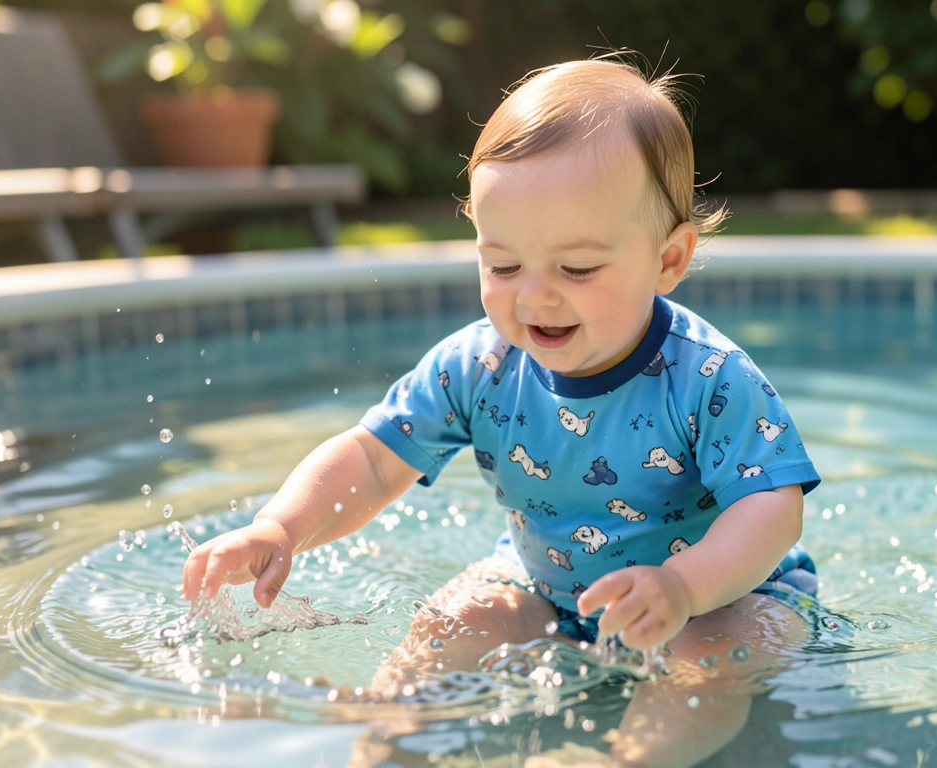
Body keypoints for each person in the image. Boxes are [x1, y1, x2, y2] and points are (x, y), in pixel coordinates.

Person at [181, 55, 822, 768]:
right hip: (547, 586)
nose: (534, 296)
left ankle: (625, 762)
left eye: (577, 268)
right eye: (503, 265)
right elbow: (371, 458)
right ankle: (389, 733)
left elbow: (772, 507)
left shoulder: (707, 377)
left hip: (725, 594)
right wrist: (280, 527)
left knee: (711, 658)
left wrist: (682, 586)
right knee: (454, 619)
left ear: (668, 261)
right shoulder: (480, 364)